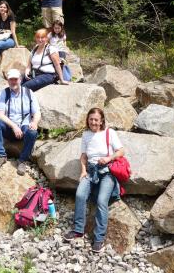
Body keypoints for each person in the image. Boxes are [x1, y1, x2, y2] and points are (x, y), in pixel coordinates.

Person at [63, 108, 124, 253]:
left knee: (102, 201)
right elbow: (84, 156)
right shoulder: (86, 135)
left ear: (101, 120)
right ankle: (78, 230)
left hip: (107, 172)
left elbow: (121, 151)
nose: (93, 122)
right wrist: (83, 171)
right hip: (90, 171)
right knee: (80, 195)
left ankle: (98, 239)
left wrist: (109, 158)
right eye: (91, 119)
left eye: (96, 119)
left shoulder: (110, 133)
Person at [0, 69, 41, 176]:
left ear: (20, 79)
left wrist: (35, 122)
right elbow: (0, 114)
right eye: (11, 80)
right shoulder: (4, 93)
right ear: (8, 81)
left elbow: (36, 112)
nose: (13, 82)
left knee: (33, 132)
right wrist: (13, 126)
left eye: (15, 79)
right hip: (9, 127)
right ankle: (1, 155)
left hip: (24, 127)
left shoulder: (28, 92)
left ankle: (22, 160)